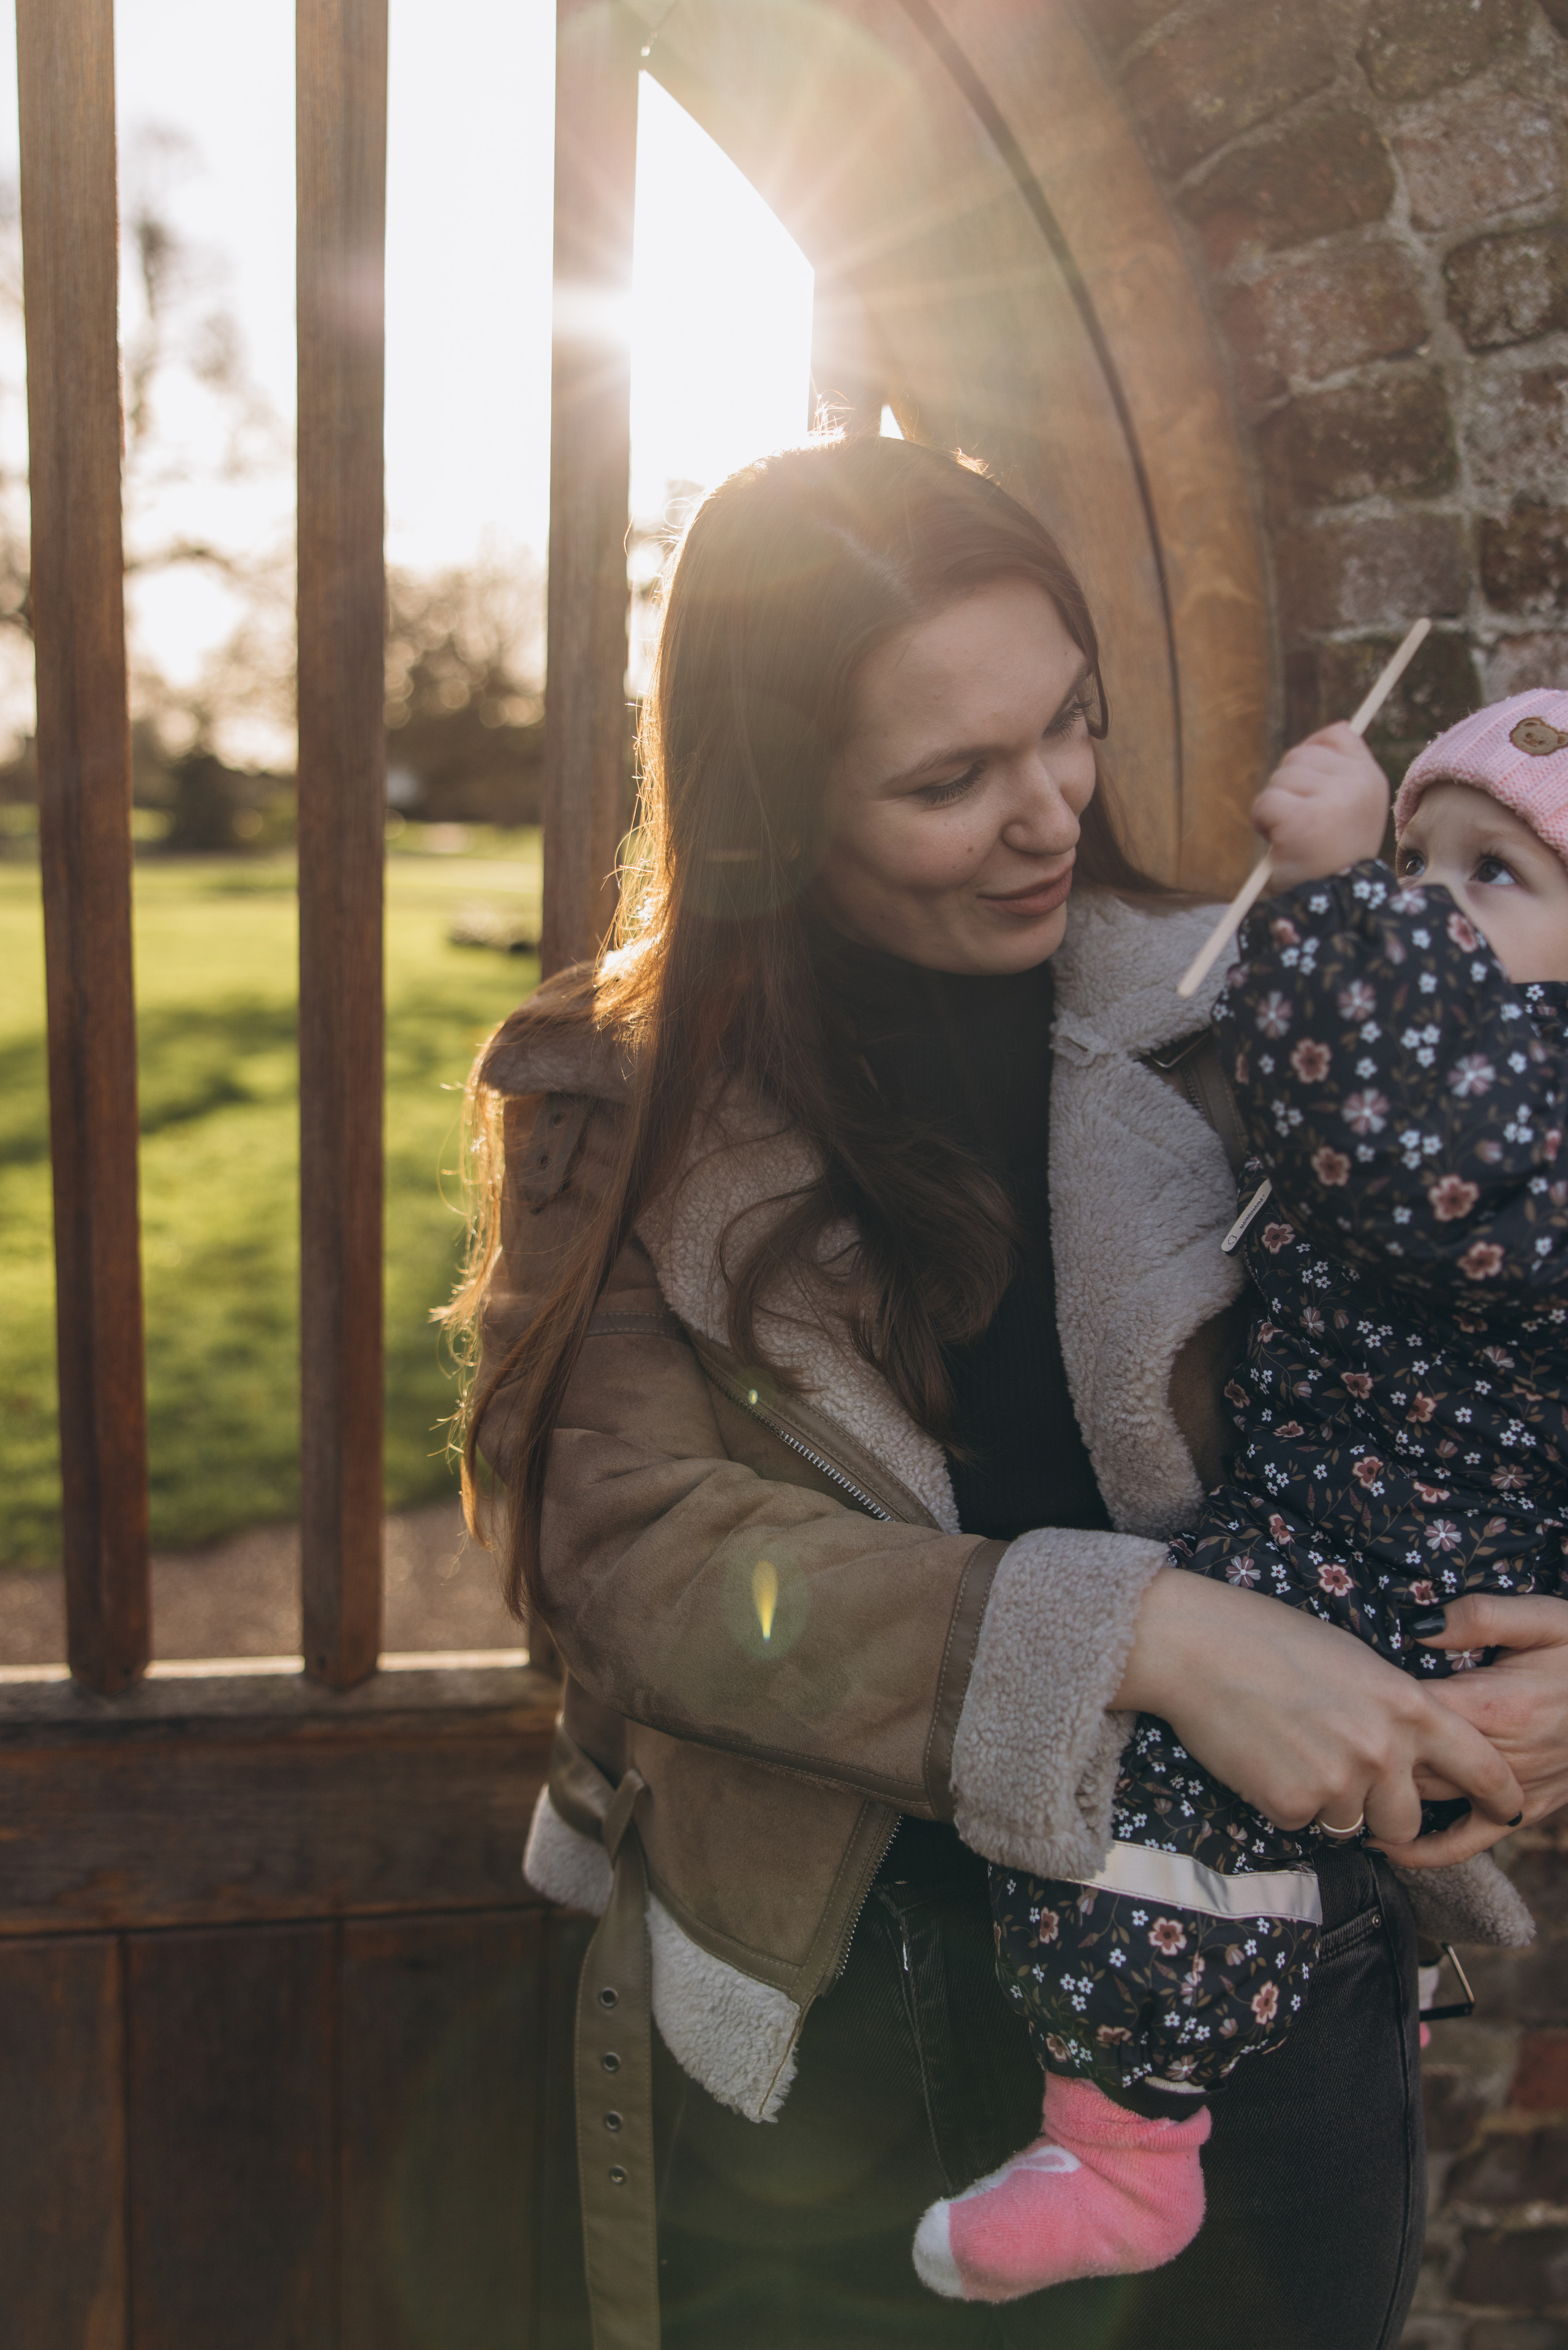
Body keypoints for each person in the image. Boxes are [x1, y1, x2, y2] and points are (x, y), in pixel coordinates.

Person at [453, 436, 1566, 2350]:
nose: (1051, 810)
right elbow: (622, 1555)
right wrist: (1148, 1638)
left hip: (1268, 2027)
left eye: (1071, 725)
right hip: (838, 2029)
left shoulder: (1255, 1003)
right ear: (770, 805)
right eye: (948, 781)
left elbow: (1492, 1341)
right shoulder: (609, 1103)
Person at [917, 690, 1568, 2304]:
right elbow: (1324, 1092)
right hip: (1338, 1517)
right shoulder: (1444, 1041)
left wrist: (1345, 888)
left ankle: (1126, 2148)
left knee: (1164, 1803)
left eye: (1497, 874)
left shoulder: (1518, 1105)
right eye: (1424, 857)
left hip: (1390, 1558)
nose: (1428, 901)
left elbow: (1408, 1160)